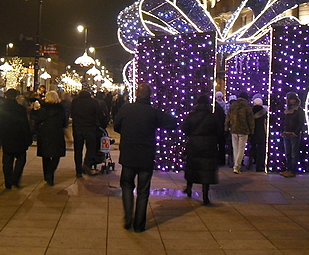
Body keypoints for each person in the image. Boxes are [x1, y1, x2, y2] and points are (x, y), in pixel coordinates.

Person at [114, 83, 177, 232]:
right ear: (150, 96)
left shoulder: (126, 109)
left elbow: (116, 126)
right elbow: (172, 123)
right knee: (143, 190)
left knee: (127, 186)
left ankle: (128, 216)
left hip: (129, 155)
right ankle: (139, 224)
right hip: (146, 157)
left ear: (136, 94)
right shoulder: (152, 112)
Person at [182, 95, 221, 205]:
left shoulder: (192, 115)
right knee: (206, 170)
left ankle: (189, 188)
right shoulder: (212, 116)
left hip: (194, 144)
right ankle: (205, 196)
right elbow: (219, 131)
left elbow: (185, 129)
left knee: (192, 167)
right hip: (209, 145)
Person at [0, 89, 33, 189]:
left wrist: (0, 133)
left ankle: (8, 181)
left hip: (6, 137)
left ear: (5, 96)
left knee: (7, 160)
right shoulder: (21, 109)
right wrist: (28, 138)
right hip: (19, 137)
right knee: (21, 159)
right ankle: (15, 178)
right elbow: (25, 125)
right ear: (16, 97)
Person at [31, 91, 67, 186]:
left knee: (46, 155)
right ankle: (51, 171)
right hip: (57, 132)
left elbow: (37, 120)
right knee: (56, 155)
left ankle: (47, 174)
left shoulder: (43, 108)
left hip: (45, 133)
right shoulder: (60, 108)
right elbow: (64, 121)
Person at [70, 89, 103, 178]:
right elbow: (99, 114)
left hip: (77, 128)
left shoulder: (75, 102)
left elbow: (71, 113)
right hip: (90, 128)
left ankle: (78, 171)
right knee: (91, 148)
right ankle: (87, 164)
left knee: (78, 150)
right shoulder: (94, 102)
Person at [225, 91, 254, 174]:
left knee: (235, 148)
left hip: (233, 129)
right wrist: (252, 131)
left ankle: (236, 164)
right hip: (244, 130)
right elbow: (251, 120)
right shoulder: (247, 107)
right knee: (241, 148)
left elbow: (228, 118)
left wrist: (226, 128)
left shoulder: (233, 106)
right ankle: (237, 166)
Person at [280, 91, 305, 178]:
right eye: (291, 99)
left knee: (294, 153)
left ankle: (292, 170)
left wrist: (296, 132)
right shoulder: (286, 110)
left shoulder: (299, 110)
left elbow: (301, 122)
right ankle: (288, 169)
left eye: (293, 99)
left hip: (293, 134)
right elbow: (284, 122)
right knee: (288, 153)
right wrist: (282, 131)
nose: (292, 101)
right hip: (286, 134)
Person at [250, 97, 267, 172]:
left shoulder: (251, 111)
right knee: (261, 150)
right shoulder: (264, 112)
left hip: (253, 132)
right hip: (261, 132)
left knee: (252, 148)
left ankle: (250, 164)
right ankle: (259, 166)